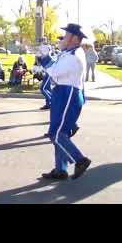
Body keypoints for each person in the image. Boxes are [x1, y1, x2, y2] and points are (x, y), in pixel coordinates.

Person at [39, 24, 91, 181]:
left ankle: (80, 159)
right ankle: (60, 169)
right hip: (62, 93)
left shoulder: (74, 54)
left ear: (75, 39)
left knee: (56, 134)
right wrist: (44, 58)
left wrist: (45, 57)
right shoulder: (68, 52)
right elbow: (54, 68)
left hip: (67, 93)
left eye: (66, 35)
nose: (63, 37)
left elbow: (54, 71)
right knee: (58, 133)